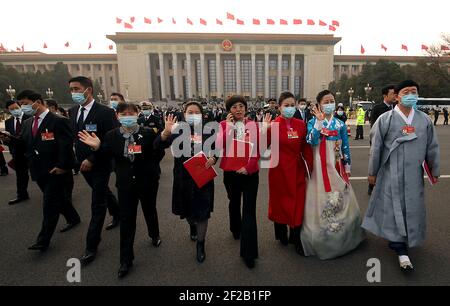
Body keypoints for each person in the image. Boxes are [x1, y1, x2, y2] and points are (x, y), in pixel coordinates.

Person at [362, 80, 440, 272]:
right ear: (397, 96)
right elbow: (376, 147)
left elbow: (432, 147)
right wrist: (372, 172)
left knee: (412, 207)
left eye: (414, 91)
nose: (411, 95)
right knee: (393, 207)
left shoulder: (424, 120)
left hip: (415, 173)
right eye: (407, 92)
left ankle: (409, 238)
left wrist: (434, 170)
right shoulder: (385, 119)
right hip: (391, 173)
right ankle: (399, 246)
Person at [79, 103, 163, 278]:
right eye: (123, 114)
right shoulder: (111, 135)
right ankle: (126, 260)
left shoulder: (148, 133)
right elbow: (106, 155)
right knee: (127, 221)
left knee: (149, 210)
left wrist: (163, 137)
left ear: (137, 114)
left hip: (147, 181)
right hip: (125, 185)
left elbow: (157, 154)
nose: (127, 116)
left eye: (131, 113)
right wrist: (97, 147)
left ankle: (154, 234)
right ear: (117, 116)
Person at [0, 91, 79, 251]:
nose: (23, 107)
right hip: (37, 169)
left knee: (49, 203)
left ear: (37, 101)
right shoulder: (28, 123)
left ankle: (43, 239)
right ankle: (73, 218)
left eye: (25, 103)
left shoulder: (58, 121)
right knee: (58, 199)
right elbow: (24, 143)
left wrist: (63, 166)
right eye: (21, 104)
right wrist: (10, 139)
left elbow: (66, 146)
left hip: (55, 169)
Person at [301, 90, 365, 260]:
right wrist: (319, 124)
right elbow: (311, 140)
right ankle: (323, 235)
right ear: (319, 105)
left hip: (336, 166)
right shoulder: (314, 122)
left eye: (332, 100)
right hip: (320, 167)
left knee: (340, 195)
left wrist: (347, 165)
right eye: (326, 101)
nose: (330, 103)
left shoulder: (339, 124)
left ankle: (344, 234)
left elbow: (345, 146)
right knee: (321, 197)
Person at [68, 76, 121, 264]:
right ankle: (118, 212)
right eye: (71, 89)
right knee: (103, 192)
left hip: (100, 163)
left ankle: (91, 245)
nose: (73, 93)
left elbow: (113, 139)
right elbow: (75, 138)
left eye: (76, 89)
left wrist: (92, 158)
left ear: (88, 90)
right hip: (82, 164)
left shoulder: (105, 112)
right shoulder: (73, 111)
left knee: (97, 202)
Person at [156, 101, 217, 264]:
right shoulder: (176, 130)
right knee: (187, 211)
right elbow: (157, 146)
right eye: (190, 112)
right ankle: (192, 225)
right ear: (184, 113)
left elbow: (216, 150)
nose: (193, 115)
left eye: (197, 112)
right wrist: (165, 133)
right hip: (183, 177)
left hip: (203, 176)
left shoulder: (208, 130)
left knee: (203, 212)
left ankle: (200, 244)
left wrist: (213, 158)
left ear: (202, 114)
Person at [263, 92, 313, 254]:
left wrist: (309, 168)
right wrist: (264, 131)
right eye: (286, 105)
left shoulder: (300, 125)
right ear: (279, 107)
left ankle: (296, 238)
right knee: (280, 203)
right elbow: (262, 148)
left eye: (293, 105)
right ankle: (281, 232)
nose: (290, 108)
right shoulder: (273, 125)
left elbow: (306, 148)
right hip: (278, 171)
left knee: (298, 203)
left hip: (297, 170)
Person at [218, 95, 261, 269]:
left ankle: (249, 253)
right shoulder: (222, 125)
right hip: (231, 174)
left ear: (245, 108)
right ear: (229, 110)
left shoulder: (253, 125)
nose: (238, 109)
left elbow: (257, 149)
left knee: (249, 210)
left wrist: (249, 167)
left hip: (250, 173)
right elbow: (220, 146)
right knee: (234, 202)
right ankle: (235, 227)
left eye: (241, 106)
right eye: (234, 107)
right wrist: (229, 127)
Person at [368, 85, 396, 195]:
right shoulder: (378, 108)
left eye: (396, 93)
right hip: (380, 142)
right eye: (392, 94)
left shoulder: (397, 108)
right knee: (376, 164)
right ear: (385, 95)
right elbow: (374, 127)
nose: (395, 96)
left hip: (393, 144)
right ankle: (371, 185)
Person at [4, 99, 30, 204]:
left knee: (42, 174)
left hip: (31, 151)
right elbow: (10, 140)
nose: (15, 110)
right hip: (17, 153)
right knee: (20, 175)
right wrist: (6, 140)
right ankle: (22, 194)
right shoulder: (8, 122)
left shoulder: (30, 118)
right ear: (8, 111)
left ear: (20, 106)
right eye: (12, 109)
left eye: (16, 108)